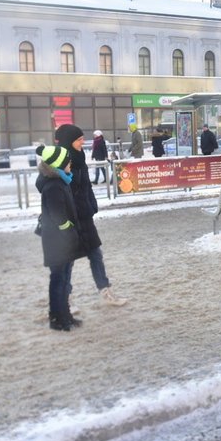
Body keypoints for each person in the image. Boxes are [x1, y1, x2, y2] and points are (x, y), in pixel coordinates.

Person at [54, 124, 128, 312]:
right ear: (69, 141)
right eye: (78, 139)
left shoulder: (78, 157)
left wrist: (91, 205)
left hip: (85, 216)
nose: (82, 141)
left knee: (96, 254)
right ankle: (64, 299)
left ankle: (105, 291)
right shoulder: (60, 162)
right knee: (68, 260)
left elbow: (85, 187)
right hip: (70, 219)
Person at [35, 144, 86, 331]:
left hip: (61, 241)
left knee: (64, 278)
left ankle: (65, 315)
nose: (70, 163)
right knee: (59, 279)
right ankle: (57, 318)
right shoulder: (53, 186)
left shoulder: (60, 181)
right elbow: (59, 216)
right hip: (57, 241)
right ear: (58, 164)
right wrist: (69, 231)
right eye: (67, 161)